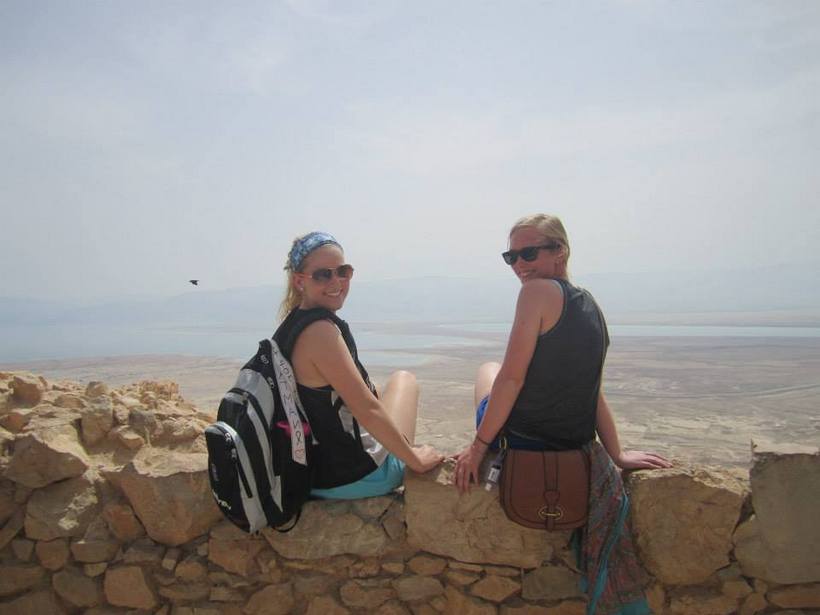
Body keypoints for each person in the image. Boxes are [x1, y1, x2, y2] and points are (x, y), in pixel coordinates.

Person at [454, 214, 671, 615]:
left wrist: (478, 447)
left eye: (529, 252)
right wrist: (617, 455)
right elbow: (593, 392)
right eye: (511, 256)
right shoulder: (591, 306)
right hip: (572, 443)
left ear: (560, 251)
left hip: (523, 437)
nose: (520, 265)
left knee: (489, 372)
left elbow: (512, 379)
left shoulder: (536, 293)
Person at [275, 231, 443, 500]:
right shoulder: (320, 332)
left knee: (386, 386)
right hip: (352, 476)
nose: (336, 281)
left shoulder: (290, 325)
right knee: (405, 381)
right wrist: (415, 460)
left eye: (343, 271)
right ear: (299, 280)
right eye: (323, 274)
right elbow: (366, 408)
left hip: (313, 470)